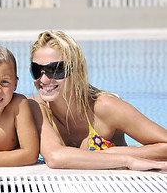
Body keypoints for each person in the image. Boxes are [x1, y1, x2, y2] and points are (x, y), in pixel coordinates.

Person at [28, 30, 167, 171]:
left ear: (76, 70)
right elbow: (55, 157)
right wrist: (126, 160)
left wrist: (112, 153)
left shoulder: (105, 107)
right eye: (37, 70)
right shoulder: (37, 107)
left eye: (55, 69)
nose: (44, 79)